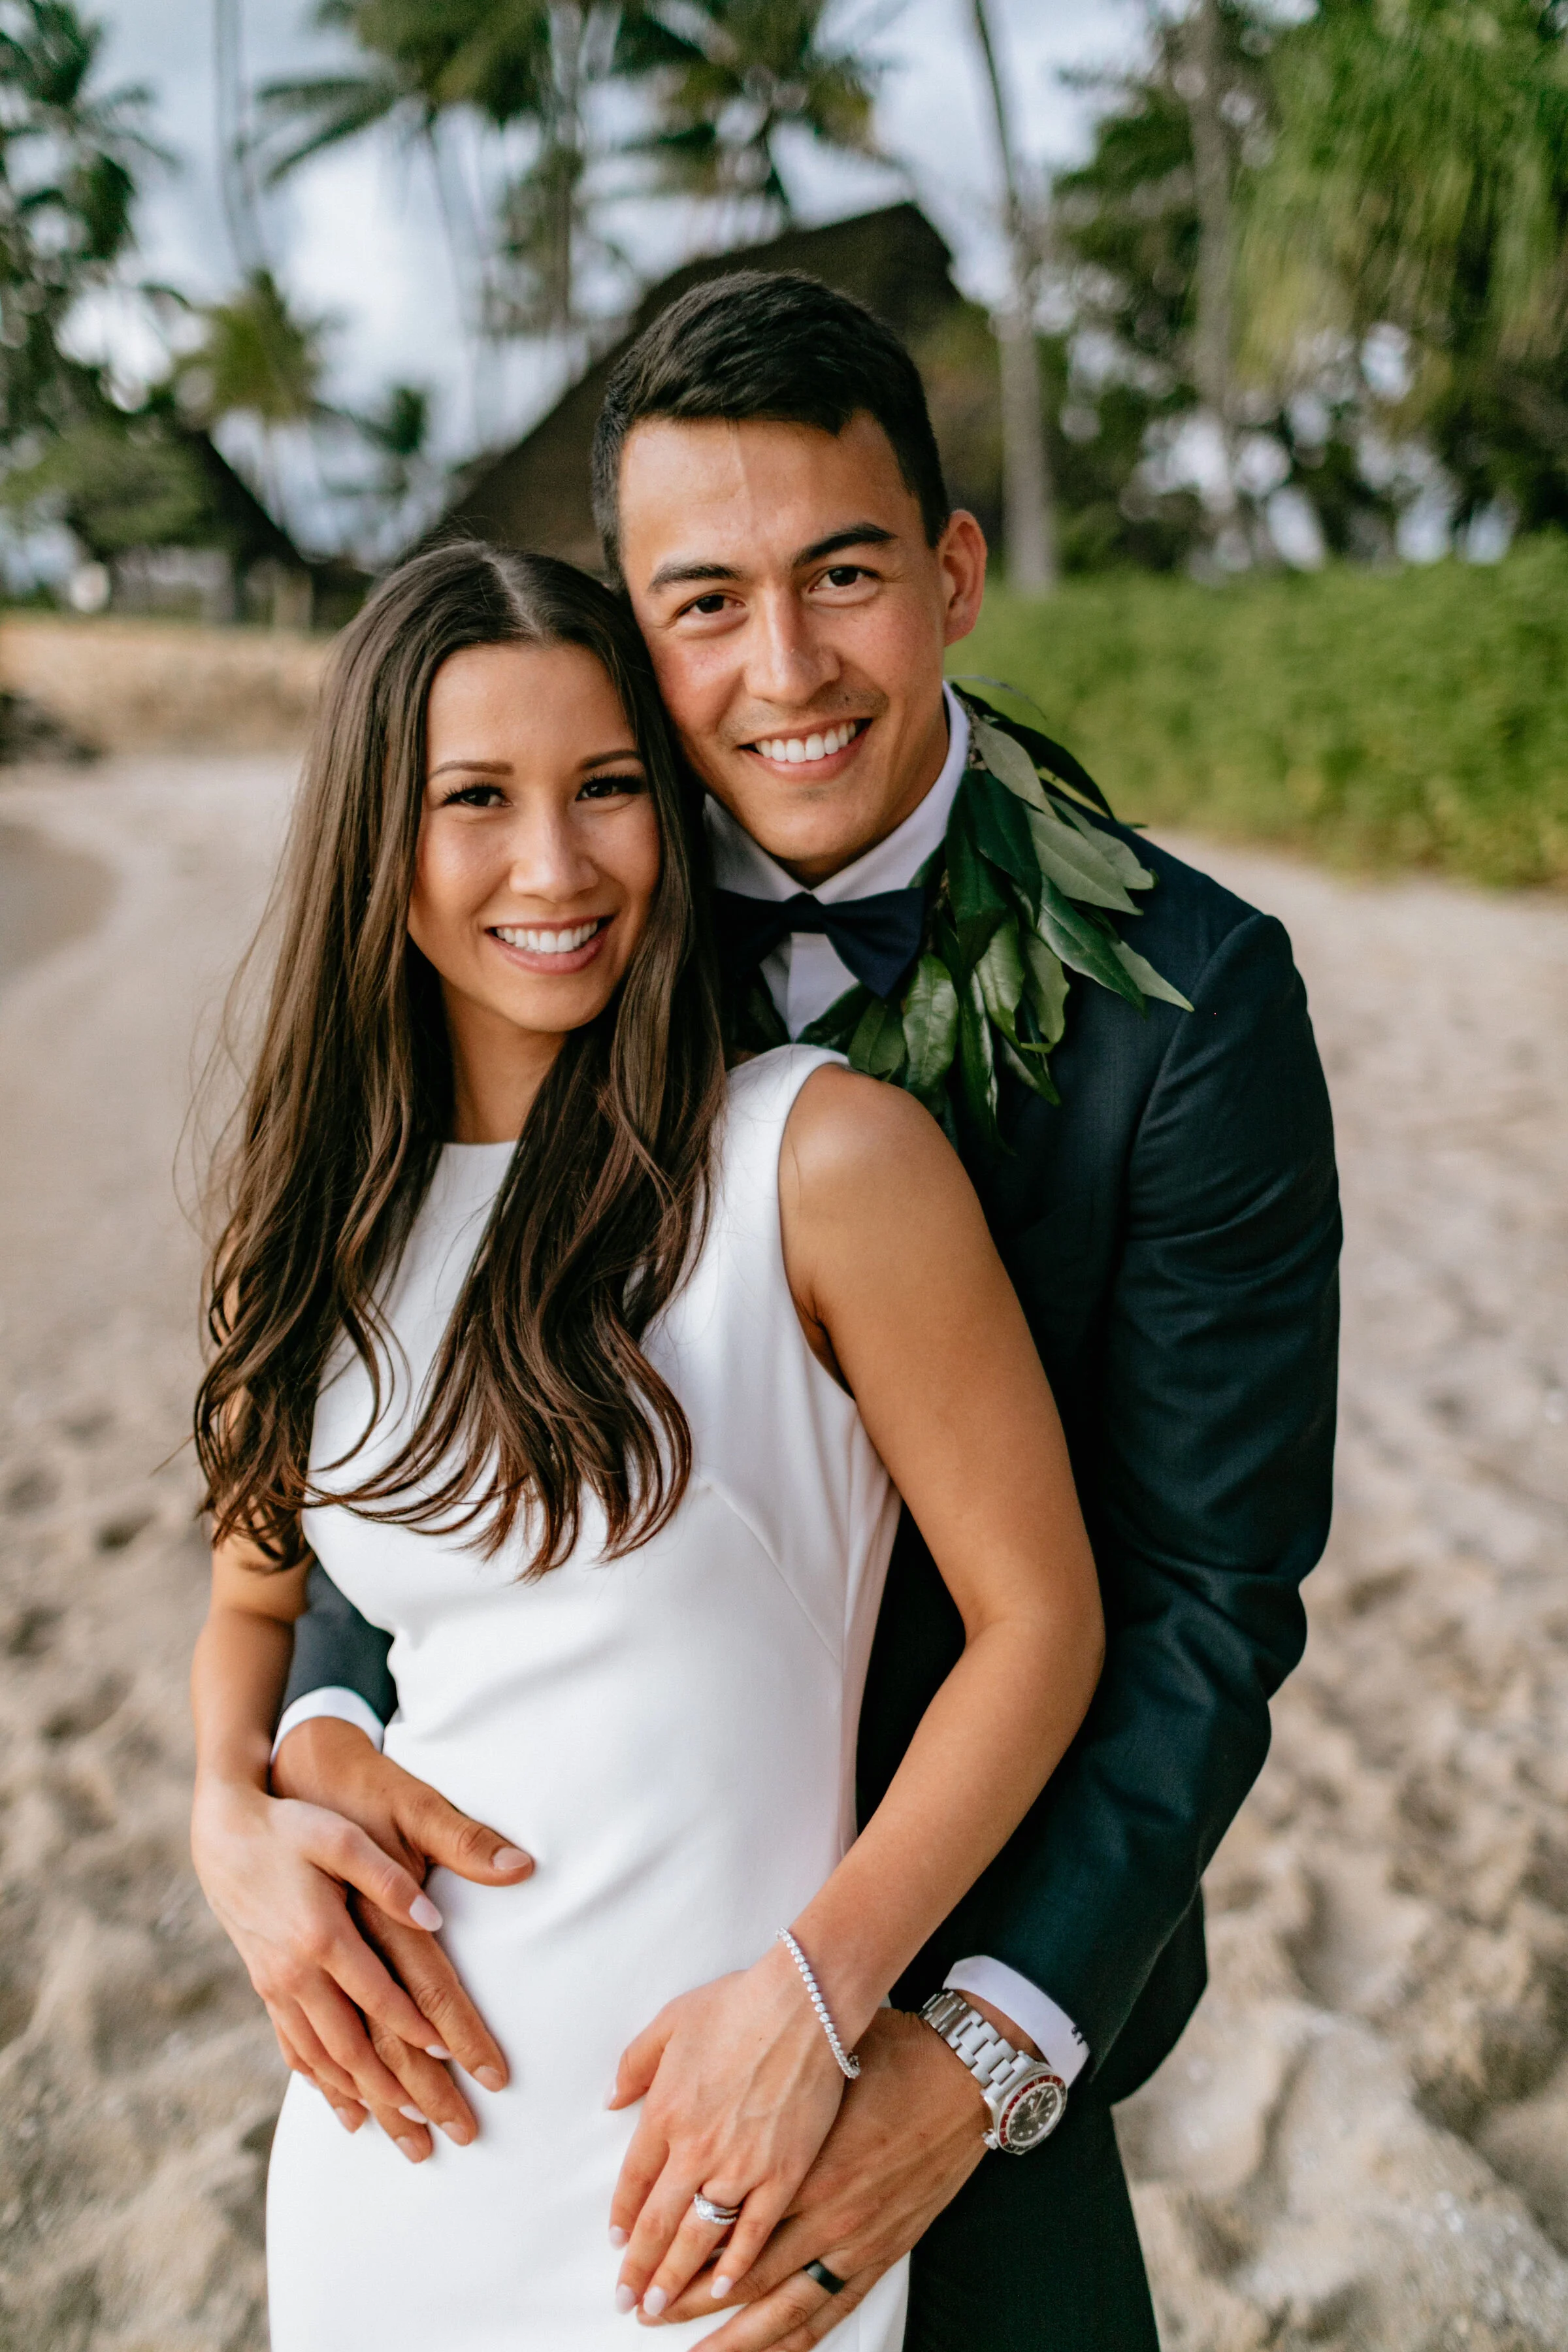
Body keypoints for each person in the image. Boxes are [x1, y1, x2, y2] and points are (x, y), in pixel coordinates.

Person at [193, 273, 1341, 2351]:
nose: (783, 668)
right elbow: (423, 1431)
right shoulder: (565, 937)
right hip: (510, 2034)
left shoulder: (1191, 1010)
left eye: (845, 576)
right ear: (632, 630)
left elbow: (1197, 1604)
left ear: (956, 572)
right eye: (703, 603)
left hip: (985, 1968)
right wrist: (289, 1762)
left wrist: (959, 2054)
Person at [189, 542, 1105, 2349]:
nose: (558, 864)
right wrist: (231, 1807)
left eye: (609, 786)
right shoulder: (318, 1231)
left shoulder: (813, 1164)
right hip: (392, 2177)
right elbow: (246, 1602)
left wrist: (816, 2002)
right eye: (478, 800)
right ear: (380, 836)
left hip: (726, 2170)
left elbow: (1043, 1626)